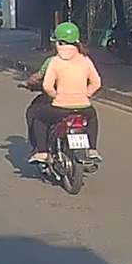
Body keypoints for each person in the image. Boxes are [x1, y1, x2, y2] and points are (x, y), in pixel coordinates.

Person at [28, 22, 102, 163]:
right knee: (92, 117)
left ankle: (42, 152)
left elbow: (47, 86)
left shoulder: (55, 61)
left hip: (60, 108)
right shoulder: (86, 60)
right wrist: (85, 95)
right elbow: (96, 83)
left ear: (58, 43)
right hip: (84, 107)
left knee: (38, 117)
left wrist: (57, 96)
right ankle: (92, 149)